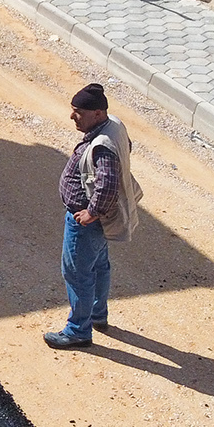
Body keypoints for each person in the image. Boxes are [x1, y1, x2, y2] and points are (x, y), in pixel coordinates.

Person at [44, 82, 143, 350]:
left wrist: (91, 212)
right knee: (99, 266)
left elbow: (107, 185)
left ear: (97, 114)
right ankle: (98, 315)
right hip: (97, 225)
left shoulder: (102, 146)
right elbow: (128, 146)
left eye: (78, 112)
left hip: (85, 224)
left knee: (78, 274)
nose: (72, 116)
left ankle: (78, 331)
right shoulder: (114, 126)